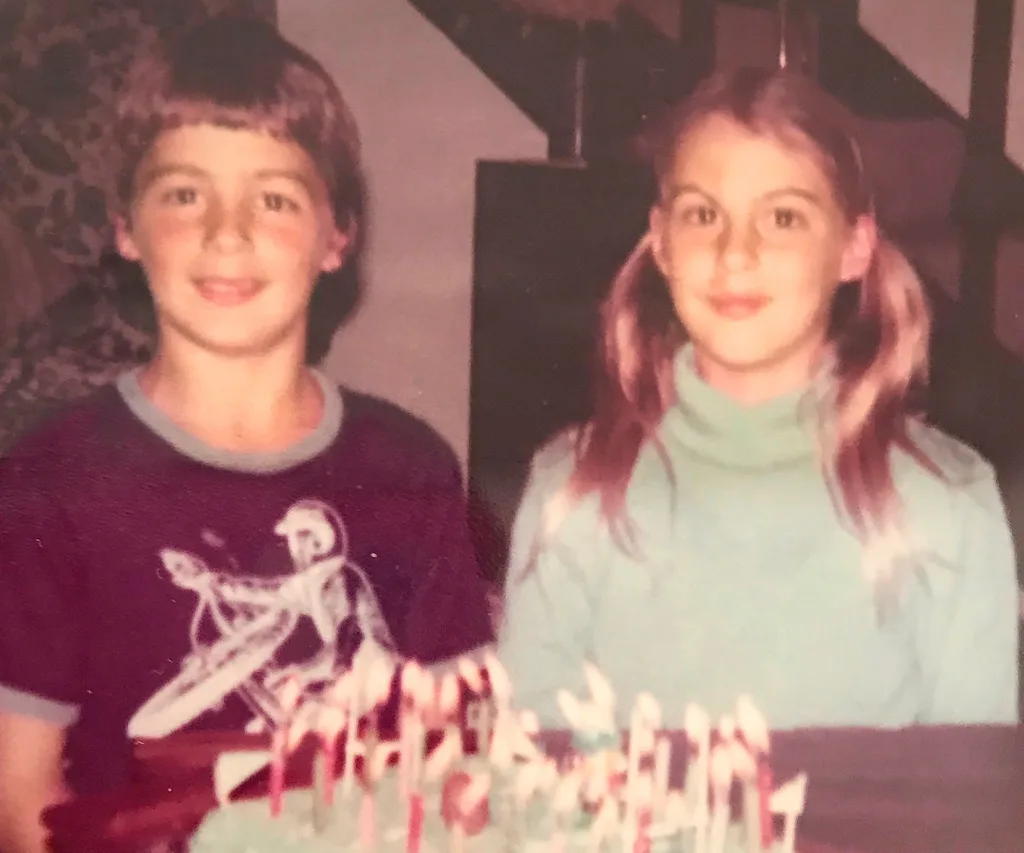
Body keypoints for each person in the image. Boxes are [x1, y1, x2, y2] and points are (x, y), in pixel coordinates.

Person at [0, 16, 493, 852]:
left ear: (338, 235)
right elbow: (19, 804)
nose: (226, 233)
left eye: (274, 199)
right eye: (186, 194)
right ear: (125, 226)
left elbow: (461, 764)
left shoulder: (409, 468)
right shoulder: (50, 479)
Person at [497, 67, 1020, 730]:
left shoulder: (945, 504)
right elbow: (535, 772)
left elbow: (966, 804)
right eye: (703, 214)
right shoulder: (573, 490)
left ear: (853, 248)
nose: (735, 253)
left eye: (782, 218)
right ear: (661, 241)